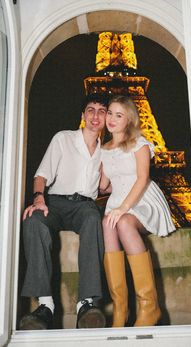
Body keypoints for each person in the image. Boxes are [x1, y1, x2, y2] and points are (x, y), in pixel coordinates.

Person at [19, 93, 109, 330]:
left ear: (106, 118)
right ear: (83, 115)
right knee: (33, 220)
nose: (96, 115)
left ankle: (86, 303)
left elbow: (104, 187)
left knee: (92, 218)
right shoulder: (63, 138)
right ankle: (45, 305)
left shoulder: (107, 151)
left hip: (85, 206)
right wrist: (38, 198)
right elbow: (42, 175)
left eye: (102, 111)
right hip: (55, 202)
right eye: (91, 110)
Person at [99, 95, 176, 327]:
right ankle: (120, 309)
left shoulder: (139, 143)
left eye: (119, 115)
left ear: (129, 120)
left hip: (142, 199)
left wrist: (123, 208)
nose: (112, 119)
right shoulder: (104, 148)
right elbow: (105, 185)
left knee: (122, 222)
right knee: (106, 223)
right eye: (110, 113)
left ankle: (149, 306)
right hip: (118, 200)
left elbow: (142, 179)